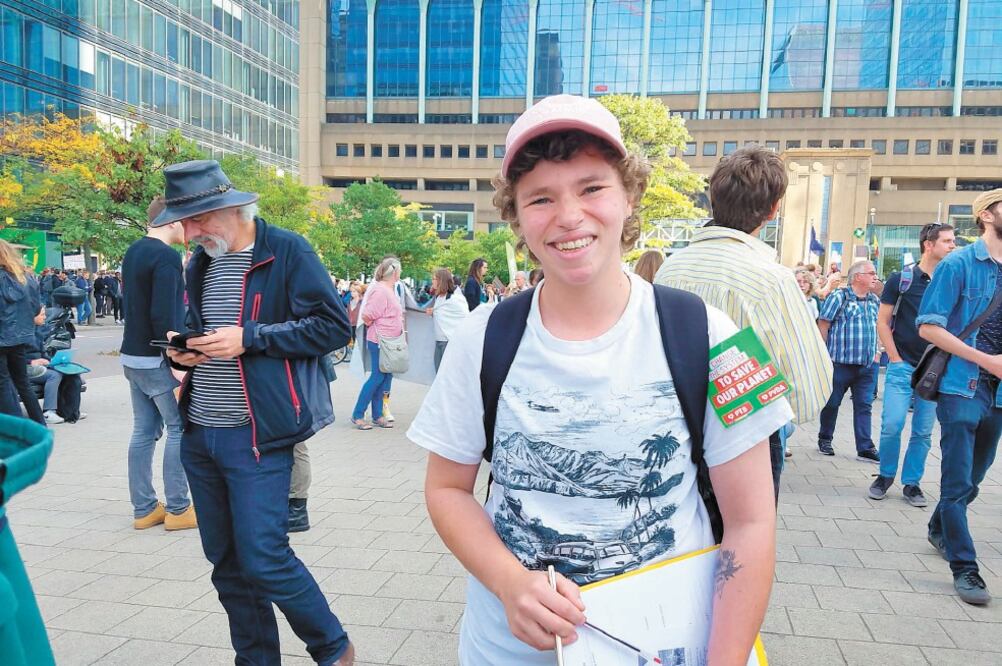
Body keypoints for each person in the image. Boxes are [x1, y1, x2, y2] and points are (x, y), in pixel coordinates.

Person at [408, 95, 789, 665]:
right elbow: (445, 489)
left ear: (629, 195)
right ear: (515, 213)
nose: (568, 216)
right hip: (506, 650)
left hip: (664, 644)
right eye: (540, 197)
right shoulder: (481, 337)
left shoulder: (714, 333)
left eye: (592, 188)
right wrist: (511, 583)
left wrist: (726, 658)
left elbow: (753, 521)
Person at [160, 160, 354, 664]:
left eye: (196, 220)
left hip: (258, 433)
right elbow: (200, 326)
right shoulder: (200, 262)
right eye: (183, 222)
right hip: (199, 431)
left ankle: (333, 649)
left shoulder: (286, 250)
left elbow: (333, 328)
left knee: (265, 558)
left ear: (228, 209)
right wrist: (182, 351)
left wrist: (251, 338)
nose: (188, 233)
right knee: (226, 565)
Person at [656, 145, 834, 500]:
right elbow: (810, 387)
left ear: (713, 199)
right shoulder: (771, 280)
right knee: (744, 545)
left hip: (672, 435)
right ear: (773, 209)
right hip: (747, 446)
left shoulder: (670, 268)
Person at [916, 188, 1002, 606]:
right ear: (986, 215)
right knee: (955, 483)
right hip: (961, 385)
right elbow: (928, 327)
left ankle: (939, 527)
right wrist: (986, 360)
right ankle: (965, 568)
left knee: (974, 479)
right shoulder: (958, 264)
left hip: (999, 391)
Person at [120, 197, 196, 531]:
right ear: (172, 221)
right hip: (156, 358)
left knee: (143, 431)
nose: (191, 228)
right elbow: (165, 317)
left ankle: (144, 508)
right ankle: (179, 508)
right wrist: (178, 362)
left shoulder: (134, 250)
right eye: (187, 221)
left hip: (132, 355)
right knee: (179, 428)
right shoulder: (166, 257)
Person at [869, 223, 956, 507]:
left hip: (933, 369)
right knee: (892, 425)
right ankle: (885, 476)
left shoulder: (952, 279)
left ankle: (912, 483)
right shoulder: (901, 279)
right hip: (902, 365)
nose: (952, 246)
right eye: (947, 241)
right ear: (928, 245)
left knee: (922, 431)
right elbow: (882, 321)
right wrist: (893, 357)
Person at [816, 260, 881, 463]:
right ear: (857, 277)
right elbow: (823, 324)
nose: (875, 277)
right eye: (871, 273)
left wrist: (878, 352)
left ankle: (865, 447)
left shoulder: (874, 300)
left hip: (867, 365)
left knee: (864, 405)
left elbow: (879, 326)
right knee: (832, 402)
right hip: (840, 363)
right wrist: (823, 354)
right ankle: (825, 437)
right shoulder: (839, 297)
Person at [351, 257, 404, 430]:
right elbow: (367, 315)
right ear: (395, 272)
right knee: (378, 377)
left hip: (389, 341)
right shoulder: (381, 290)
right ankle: (358, 414)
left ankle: (377, 415)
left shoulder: (388, 289)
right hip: (381, 341)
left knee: (385, 377)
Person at [0, 241, 44, 425]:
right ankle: (40, 424)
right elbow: (35, 308)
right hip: (20, 338)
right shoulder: (25, 278)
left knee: (3, 384)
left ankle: (18, 429)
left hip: (2, 338)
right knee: (23, 383)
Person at [425, 267, 469, 372]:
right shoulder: (439, 297)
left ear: (441, 280)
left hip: (449, 342)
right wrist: (433, 313)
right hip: (439, 341)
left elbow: (465, 317)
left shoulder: (455, 299)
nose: (432, 281)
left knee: (446, 375)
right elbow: (443, 314)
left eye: (434, 279)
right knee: (438, 373)